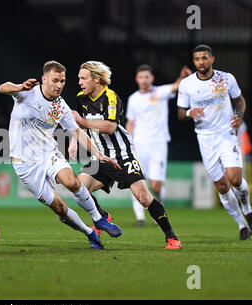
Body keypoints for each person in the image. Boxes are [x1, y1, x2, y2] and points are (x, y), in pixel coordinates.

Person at [0, 60, 123, 250]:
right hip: (24, 164)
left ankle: (99, 219)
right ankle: (89, 232)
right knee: (60, 208)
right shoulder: (27, 92)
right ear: (44, 79)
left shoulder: (61, 106)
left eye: (62, 81)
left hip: (48, 154)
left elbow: (77, 132)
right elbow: (2, 88)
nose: (59, 85)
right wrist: (18, 86)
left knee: (72, 181)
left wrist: (99, 154)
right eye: (55, 80)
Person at [70, 61, 181, 249]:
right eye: (79, 78)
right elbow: (79, 125)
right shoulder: (82, 98)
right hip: (101, 157)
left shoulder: (110, 97)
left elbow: (111, 127)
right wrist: (74, 141)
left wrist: (84, 122)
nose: (79, 82)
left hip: (123, 155)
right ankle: (103, 217)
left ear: (97, 79)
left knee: (143, 197)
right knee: (78, 188)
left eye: (83, 78)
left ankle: (171, 237)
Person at [177, 44, 252, 240]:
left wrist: (239, 115)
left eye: (204, 58)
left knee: (235, 179)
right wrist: (190, 112)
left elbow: (240, 101)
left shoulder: (226, 78)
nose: (200, 62)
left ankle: (248, 211)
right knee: (222, 186)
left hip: (226, 134)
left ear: (212, 59)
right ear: (194, 61)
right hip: (205, 138)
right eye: (197, 59)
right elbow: (180, 113)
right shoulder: (187, 84)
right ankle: (242, 225)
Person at [125, 64, 192, 226]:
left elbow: (177, 86)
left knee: (155, 185)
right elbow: (130, 122)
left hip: (158, 144)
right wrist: (128, 143)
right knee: (137, 180)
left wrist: (182, 76)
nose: (144, 80)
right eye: (141, 77)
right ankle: (140, 217)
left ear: (152, 78)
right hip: (139, 144)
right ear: (137, 79)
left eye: (146, 77)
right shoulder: (133, 99)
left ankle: (158, 208)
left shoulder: (159, 92)